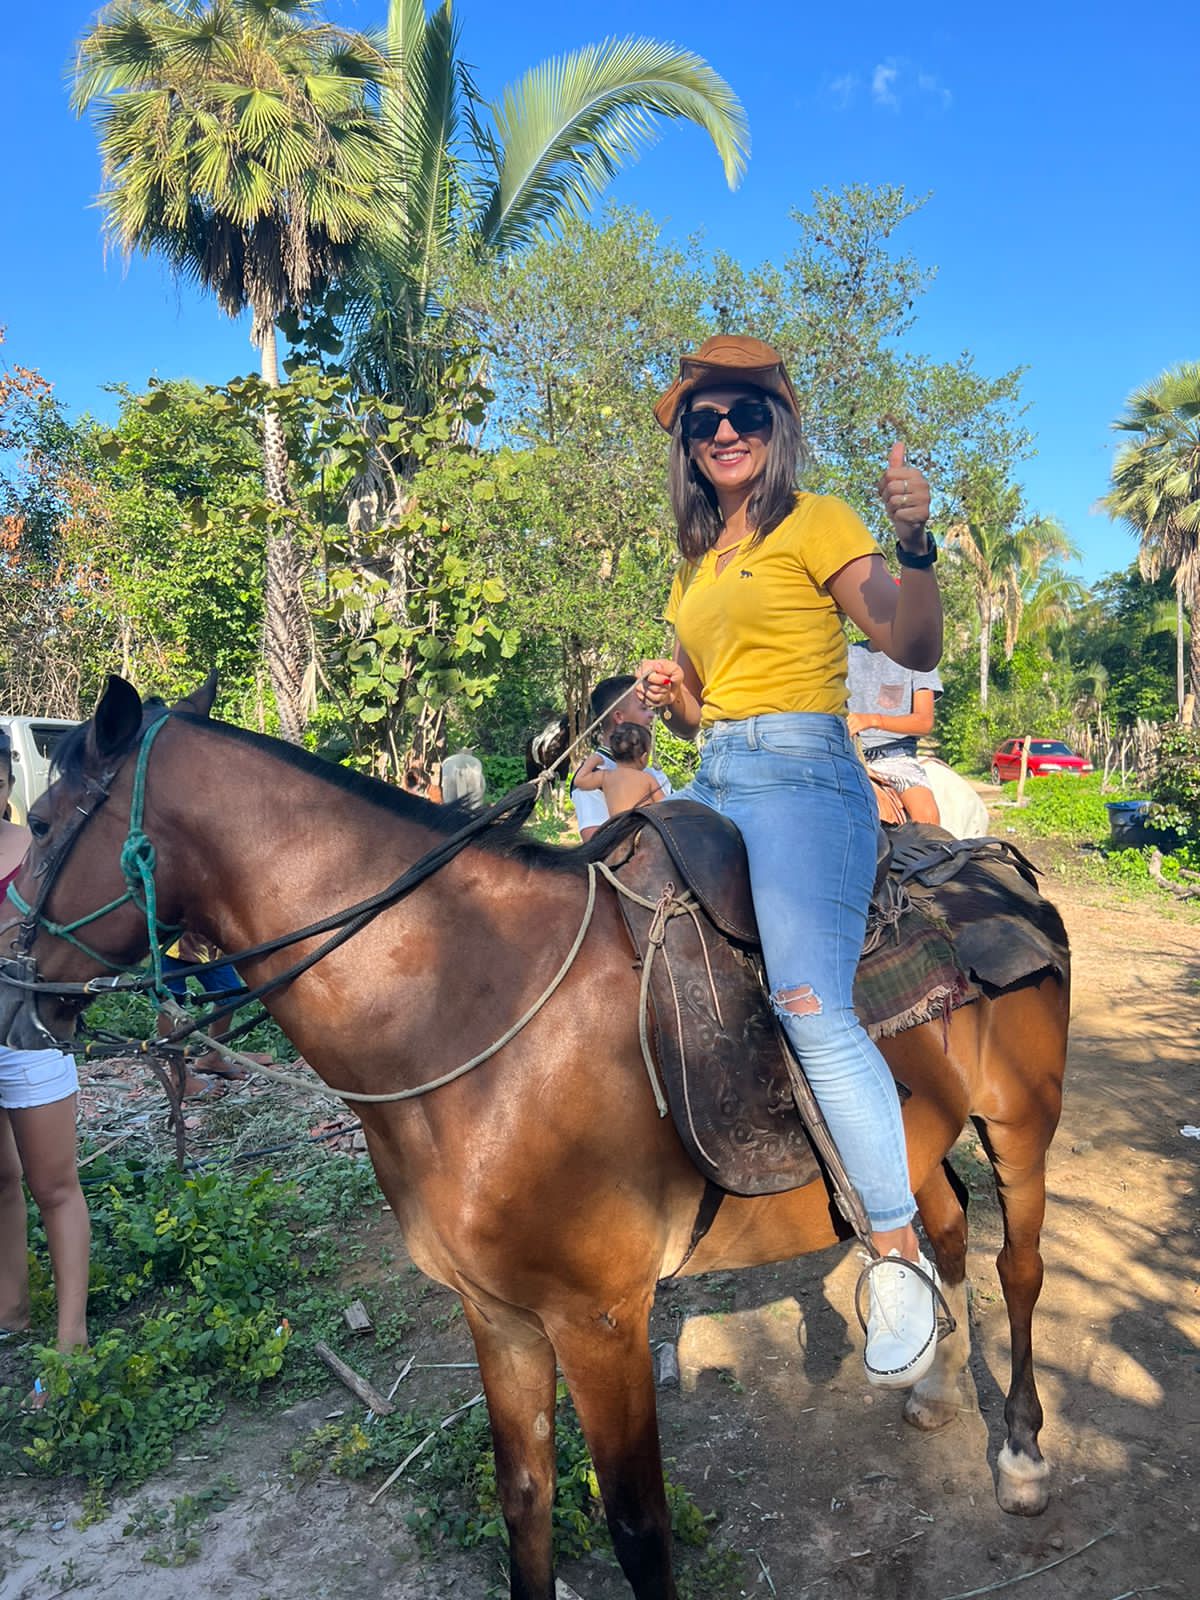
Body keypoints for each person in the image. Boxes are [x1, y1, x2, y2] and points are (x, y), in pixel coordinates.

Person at [638, 334, 944, 1389]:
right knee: (619, 949)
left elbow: (912, 649)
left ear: (776, 428)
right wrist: (672, 695)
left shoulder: (817, 522)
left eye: (745, 415)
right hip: (713, 774)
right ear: (687, 442)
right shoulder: (696, 564)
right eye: (704, 420)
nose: (724, 432)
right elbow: (699, 717)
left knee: (809, 998)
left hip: (804, 776)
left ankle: (898, 1250)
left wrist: (914, 542)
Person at [0, 729, 90, 1369]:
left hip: (29, 1031)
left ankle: (71, 1339)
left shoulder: (36, 851)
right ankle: (10, 1311)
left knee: (53, 1183)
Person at [846, 634, 943, 825]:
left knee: (926, 816)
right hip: (848, 756)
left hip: (895, 758)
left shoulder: (917, 657)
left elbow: (924, 721)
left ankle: (934, 849)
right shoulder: (846, 655)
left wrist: (873, 720)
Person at [570, 676, 673, 842]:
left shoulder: (647, 770)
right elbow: (596, 842)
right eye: (644, 708)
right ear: (619, 717)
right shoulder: (598, 773)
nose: (652, 716)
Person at [573, 724, 665, 817]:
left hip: (618, 828)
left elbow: (579, 780)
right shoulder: (647, 778)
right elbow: (664, 807)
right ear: (644, 758)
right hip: (642, 827)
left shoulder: (606, 776)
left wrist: (594, 759)